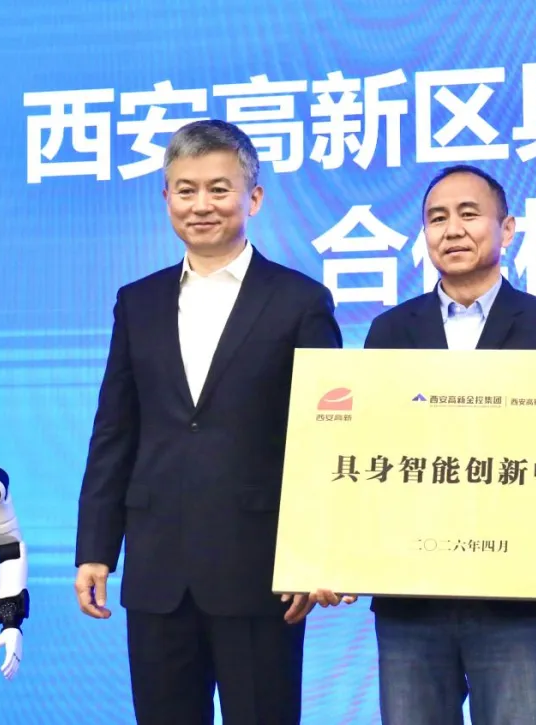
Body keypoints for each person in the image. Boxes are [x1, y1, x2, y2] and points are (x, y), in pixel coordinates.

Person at [358, 164, 536, 725]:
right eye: (436, 219)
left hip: (516, 596)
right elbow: (364, 454)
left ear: (507, 229)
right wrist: (328, 553)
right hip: (410, 596)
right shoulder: (390, 331)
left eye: (469, 214)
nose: (452, 230)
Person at [73, 119, 343, 725]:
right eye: (186, 189)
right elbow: (114, 430)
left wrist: (314, 554)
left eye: (219, 189)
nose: (201, 205)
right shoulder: (137, 302)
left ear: (254, 198)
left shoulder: (299, 301)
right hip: (157, 571)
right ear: (166, 197)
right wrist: (95, 547)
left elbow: (325, 439)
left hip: (259, 569)